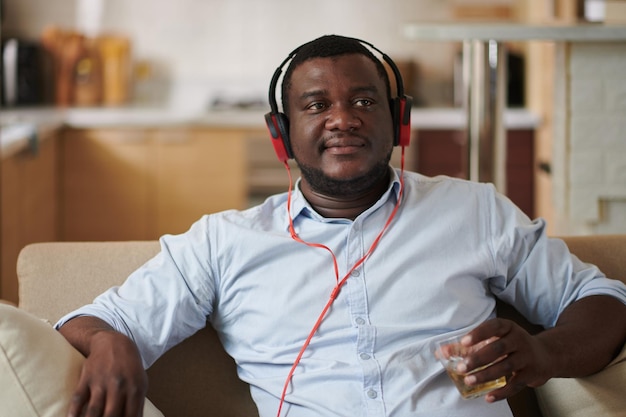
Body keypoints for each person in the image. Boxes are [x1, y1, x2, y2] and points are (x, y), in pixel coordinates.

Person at [56, 35, 626, 417]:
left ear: (399, 121)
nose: (343, 120)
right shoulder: (222, 242)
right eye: (315, 105)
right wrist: (109, 341)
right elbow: (97, 322)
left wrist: (545, 354)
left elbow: (603, 300)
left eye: (363, 101)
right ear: (280, 132)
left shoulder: (473, 211)